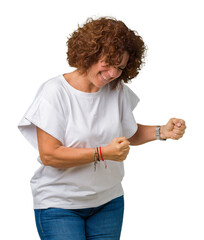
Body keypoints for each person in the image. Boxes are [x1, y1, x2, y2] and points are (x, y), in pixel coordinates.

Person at [18, 17, 186, 240]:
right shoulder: (55, 92)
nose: (113, 73)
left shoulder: (116, 90)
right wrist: (101, 153)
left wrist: (161, 131)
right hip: (60, 205)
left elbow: (129, 133)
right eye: (108, 62)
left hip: (108, 202)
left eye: (120, 67)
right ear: (89, 53)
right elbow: (50, 154)